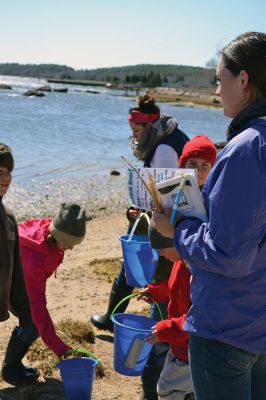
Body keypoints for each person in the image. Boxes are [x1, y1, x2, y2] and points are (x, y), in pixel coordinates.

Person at [152, 31, 266, 400]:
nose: (217, 91)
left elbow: (227, 255)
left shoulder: (246, 149)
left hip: (225, 331)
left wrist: (180, 225)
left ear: (243, 79)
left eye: (220, 80)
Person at [91, 94, 189, 400]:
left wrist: (146, 211)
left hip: (168, 232)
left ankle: (154, 376)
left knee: (158, 294)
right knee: (143, 279)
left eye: (135, 129)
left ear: (147, 125)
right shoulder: (167, 136)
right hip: (168, 226)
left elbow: (173, 197)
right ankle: (117, 318)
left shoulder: (162, 149)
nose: (133, 134)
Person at [138, 135, 216, 400]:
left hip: (190, 349)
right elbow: (176, 290)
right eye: (192, 163)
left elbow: (198, 315)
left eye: (205, 165)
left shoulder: (194, 264)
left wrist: (165, 329)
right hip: (180, 347)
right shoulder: (180, 263)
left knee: (169, 390)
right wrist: (158, 292)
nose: (197, 170)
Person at [18, 202, 88, 357]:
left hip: (17, 281)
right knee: (32, 323)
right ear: (56, 235)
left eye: (74, 245)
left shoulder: (48, 231)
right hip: (8, 285)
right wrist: (57, 346)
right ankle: (11, 367)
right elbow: (36, 304)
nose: (71, 248)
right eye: (68, 244)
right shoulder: (36, 260)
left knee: (30, 318)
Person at [0, 143, 39, 386]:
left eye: (9, 171)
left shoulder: (9, 216)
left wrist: (25, 314)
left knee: (32, 325)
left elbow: (15, 272)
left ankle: (11, 367)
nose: (6, 178)